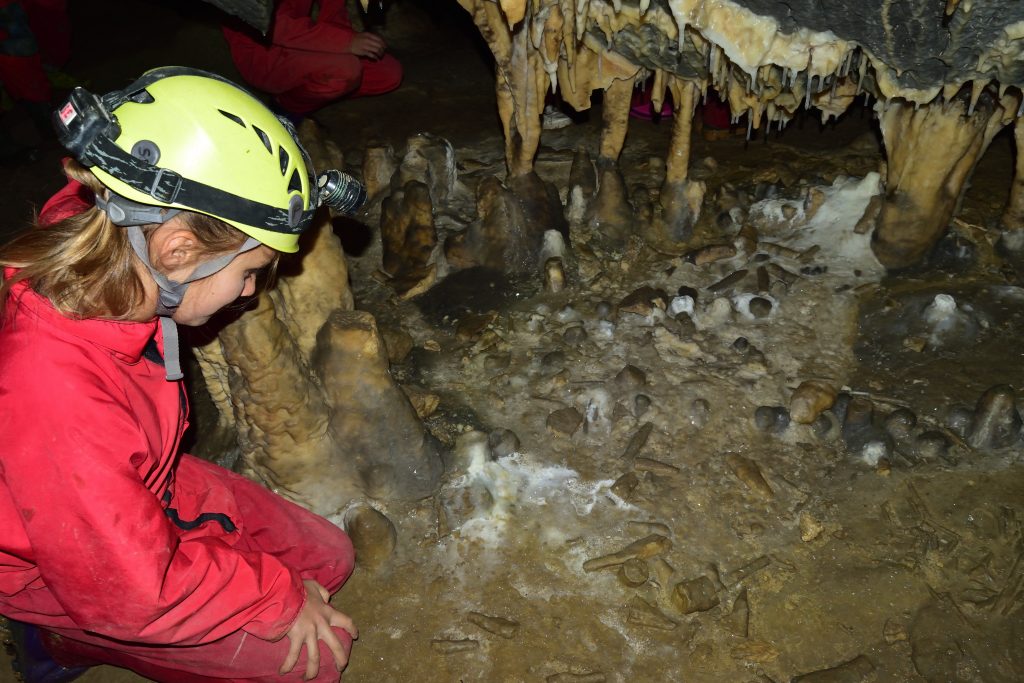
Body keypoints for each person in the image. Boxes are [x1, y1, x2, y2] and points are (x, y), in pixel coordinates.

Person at [0, 67, 359, 682]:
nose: (250, 292)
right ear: (178, 252)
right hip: (60, 550)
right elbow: (137, 589)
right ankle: (60, 638)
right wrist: (276, 597)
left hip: (137, 476)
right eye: (251, 271)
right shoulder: (54, 388)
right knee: (314, 661)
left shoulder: (101, 239)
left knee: (330, 560)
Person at [222, 0, 402, 121]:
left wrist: (352, 41)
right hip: (263, 54)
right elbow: (271, 25)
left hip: (301, 42)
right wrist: (347, 42)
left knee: (388, 74)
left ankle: (314, 95)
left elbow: (334, 15)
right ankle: (284, 110)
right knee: (345, 70)